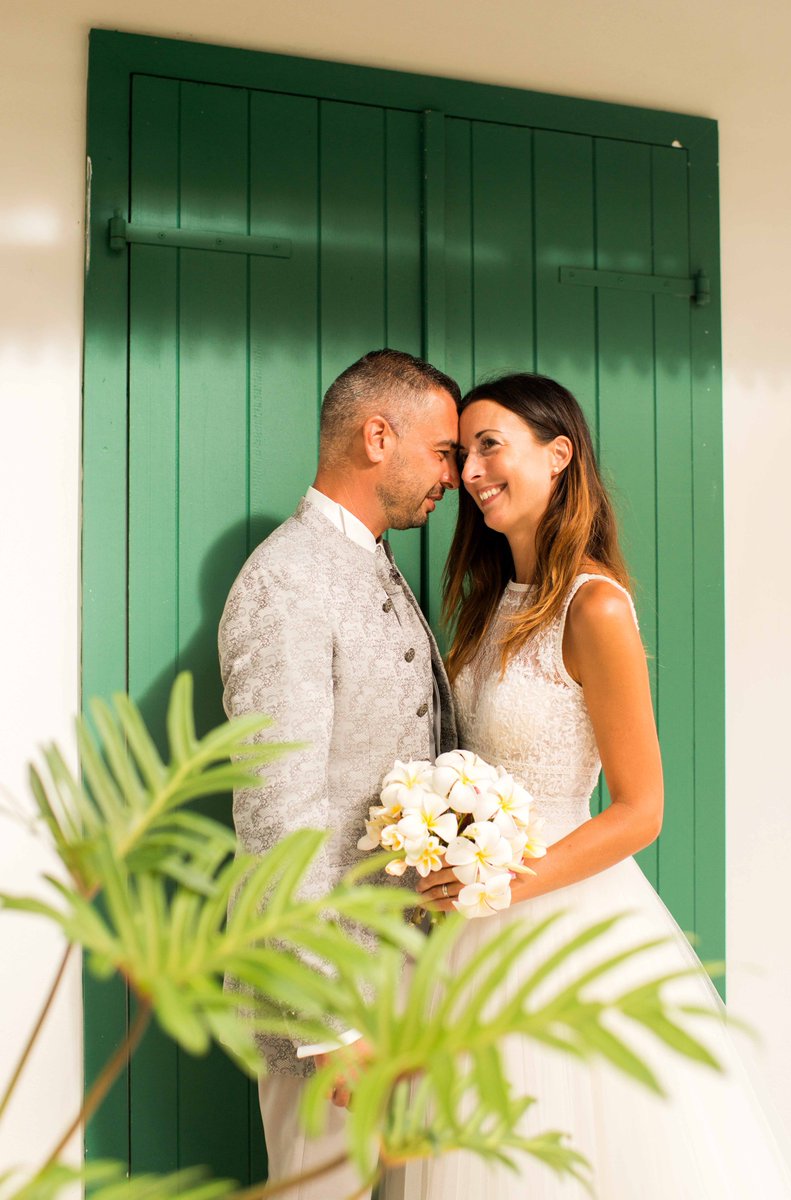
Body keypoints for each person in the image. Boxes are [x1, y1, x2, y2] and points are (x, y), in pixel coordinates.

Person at [397, 373, 791, 1198]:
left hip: (558, 921)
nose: (469, 471)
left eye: (489, 446)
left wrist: (504, 883)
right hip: (468, 930)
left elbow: (641, 809)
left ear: (559, 455)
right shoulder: (484, 604)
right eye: (461, 452)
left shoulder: (595, 608)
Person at [218, 348, 459, 1200]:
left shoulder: (372, 559)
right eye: (442, 453)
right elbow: (276, 817)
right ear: (377, 435)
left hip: (402, 981)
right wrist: (324, 1027)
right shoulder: (284, 580)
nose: (452, 477)